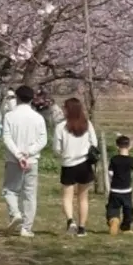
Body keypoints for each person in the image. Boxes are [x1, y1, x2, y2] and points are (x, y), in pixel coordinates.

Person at [0, 84, 47, 237]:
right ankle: (26, 228)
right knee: (29, 194)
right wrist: (29, 153)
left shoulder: (9, 116)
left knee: (10, 190)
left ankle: (15, 213)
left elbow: (6, 138)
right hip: (32, 160)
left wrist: (18, 155)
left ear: (17, 98)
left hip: (13, 160)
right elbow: (43, 140)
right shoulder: (38, 117)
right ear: (32, 98)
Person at [53, 96, 98, 236]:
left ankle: (70, 221)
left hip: (68, 164)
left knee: (67, 196)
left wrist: (64, 153)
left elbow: (56, 149)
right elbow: (94, 143)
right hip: (84, 164)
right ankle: (82, 228)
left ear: (67, 110)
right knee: (83, 198)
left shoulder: (61, 127)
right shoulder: (87, 124)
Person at [106, 134, 133, 235]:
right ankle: (126, 227)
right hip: (126, 190)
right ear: (129, 147)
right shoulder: (131, 160)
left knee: (113, 207)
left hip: (115, 189)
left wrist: (111, 181)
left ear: (117, 147)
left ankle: (114, 219)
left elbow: (110, 173)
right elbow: (132, 171)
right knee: (128, 209)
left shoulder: (114, 159)